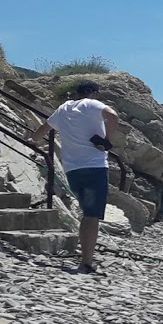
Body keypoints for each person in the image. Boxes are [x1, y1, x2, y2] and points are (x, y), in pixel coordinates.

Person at [28, 80, 120, 274]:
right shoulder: (92, 104)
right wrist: (107, 141)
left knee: (86, 213)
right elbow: (112, 116)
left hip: (72, 169)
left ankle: (86, 258)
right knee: (91, 215)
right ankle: (86, 262)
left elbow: (45, 128)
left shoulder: (63, 108)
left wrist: (32, 141)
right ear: (93, 93)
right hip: (94, 167)